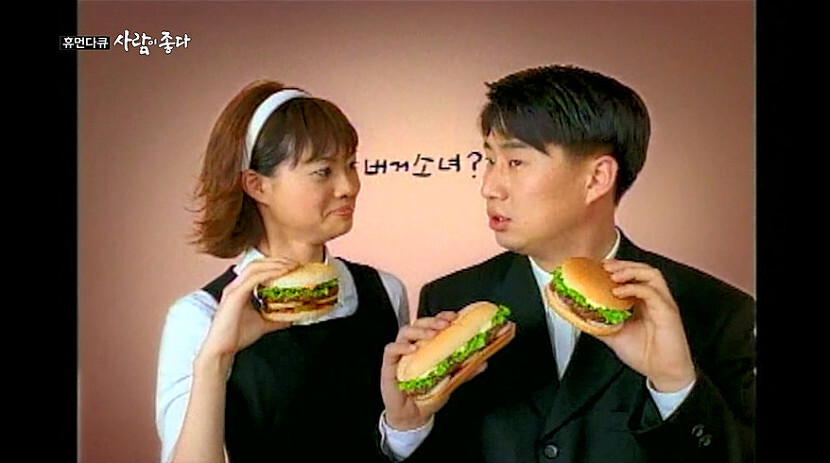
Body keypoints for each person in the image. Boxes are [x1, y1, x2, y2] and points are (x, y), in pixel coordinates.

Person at [378, 64, 755, 463]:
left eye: (516, 162)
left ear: (596, 178)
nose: (489, 187)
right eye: (488, 160)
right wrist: (407, 429)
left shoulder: (718, 312)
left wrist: (675, 384)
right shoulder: (452, 300)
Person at [154, 80, 409, 463]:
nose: (349, 186)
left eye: (351, 165)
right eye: (323, 171)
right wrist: (216, 358)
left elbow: (388, 448)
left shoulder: (385, 292)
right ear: (257, 186)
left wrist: (408, 428)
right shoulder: (199, 317)